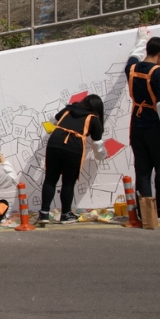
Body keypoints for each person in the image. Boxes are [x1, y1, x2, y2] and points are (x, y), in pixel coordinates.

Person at [125, 27, 160, 219]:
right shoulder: (159, 72)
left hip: (137, 126)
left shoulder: (132, 69)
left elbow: (133, 56)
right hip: (156, 127)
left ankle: (145, 210)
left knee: (142, 170)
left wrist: (142, 40)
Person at [38, 94, 107, 224]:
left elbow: (53, 121)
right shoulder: (93, 119)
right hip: (73, 147)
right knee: (68, 182)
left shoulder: (68, 110)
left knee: (50, 179)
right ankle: (66, 214)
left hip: (54, 143)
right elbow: (98, 144)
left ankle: (44, 213)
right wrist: (102, 156)